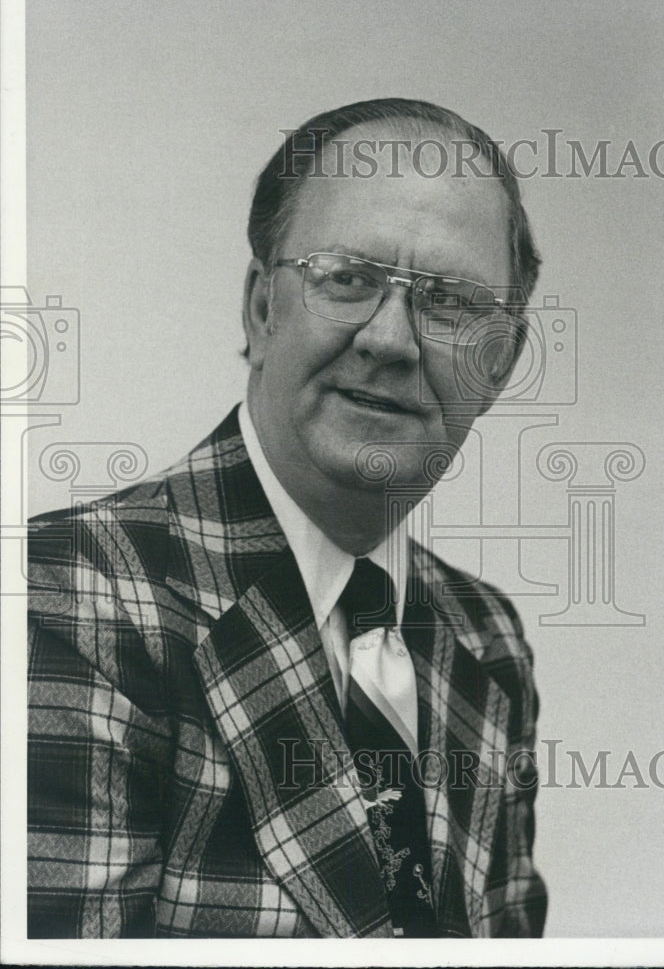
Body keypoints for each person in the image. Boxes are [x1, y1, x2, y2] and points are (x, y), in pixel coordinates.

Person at [27, 97, 547, 938]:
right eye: (347, 278)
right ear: (262, 309)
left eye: (449, 301)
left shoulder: (488, 639)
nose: (390, 339)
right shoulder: (65, 594)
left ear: (500, 363)